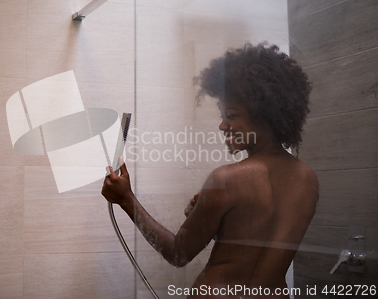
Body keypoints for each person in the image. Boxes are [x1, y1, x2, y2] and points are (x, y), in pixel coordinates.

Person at [102, 43, 319, 298]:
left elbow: (178, 253)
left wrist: (126, 199)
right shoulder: (307, 178)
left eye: (231, 115)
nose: (222, 125)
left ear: (265, 115)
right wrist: (216, 220)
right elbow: (255, 242)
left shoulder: (228, 179)